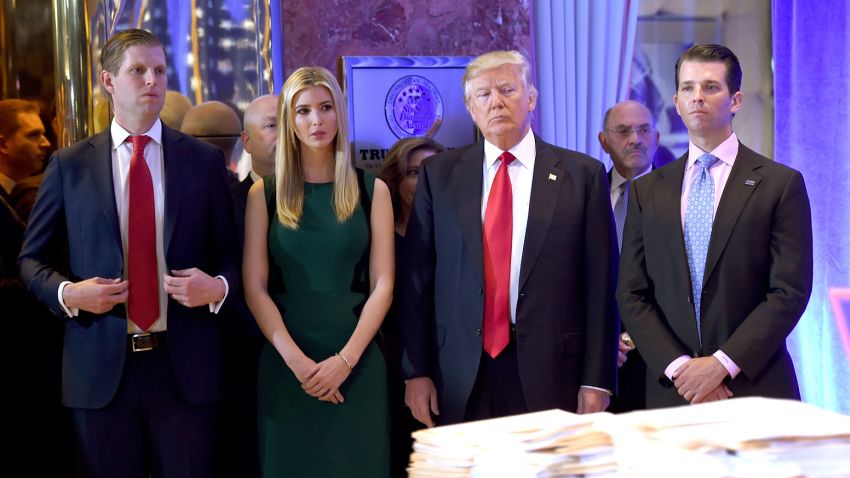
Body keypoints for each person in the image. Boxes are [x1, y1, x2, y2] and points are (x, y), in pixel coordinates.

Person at [19, 29, 240, 477]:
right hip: (100, 368)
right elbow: (30, 261)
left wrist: (216, 287)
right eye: (137, 70)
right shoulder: (70, 165)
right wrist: (67, 294)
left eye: (159, 70)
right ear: (107, 81)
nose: (152, 81)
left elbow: (233, 257)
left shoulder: (202, 161)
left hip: (185, 370)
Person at [399, 50, 619, 428]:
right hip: (460, 372)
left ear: (530, 98)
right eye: (483, 95)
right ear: (470, 108)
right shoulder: (440, 175)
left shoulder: (581, 175)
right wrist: (415, 371)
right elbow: (417, 281)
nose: (496, 102)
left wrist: (597, 378)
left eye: (507, 89)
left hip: (553, 371)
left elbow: (602, 284)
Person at [617, 44, 813, 408]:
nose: (697, 98)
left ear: (735, 100)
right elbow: (632, 293)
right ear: (676, 102)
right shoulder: (647, 191)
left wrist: (721, 366)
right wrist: (682, 369)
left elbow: (789, 292)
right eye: (688, 88)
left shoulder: (779, 184)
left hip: (755, 388)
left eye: (710, 87)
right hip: (674, 391)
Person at [243, 67, 394, 477]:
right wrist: (296, 363)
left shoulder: (372, 190)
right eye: (303, 111)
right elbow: (254, 289)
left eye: (326, 108)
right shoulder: (264, 194)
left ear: (339, 113)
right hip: (287, 361)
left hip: (357, 362)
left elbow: (383, 284)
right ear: (289, 120)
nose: (316, 121)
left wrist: (344, 361)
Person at [377, 136, 445, 475]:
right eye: (415, 172)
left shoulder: (461, 238)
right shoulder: (378, 239)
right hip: (389, 373)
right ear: (396, 178)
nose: (424, 182)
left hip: (449, 373)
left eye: (433, 172)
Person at [597, 99, 659, 413]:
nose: (635, 139)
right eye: (623, 131)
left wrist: (632, 337)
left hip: (663, 357)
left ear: (657, 138)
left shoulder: (682, 196)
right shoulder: (585, 195)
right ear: (603, 141)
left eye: (644, 130)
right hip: (600, 362)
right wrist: (604, 339)